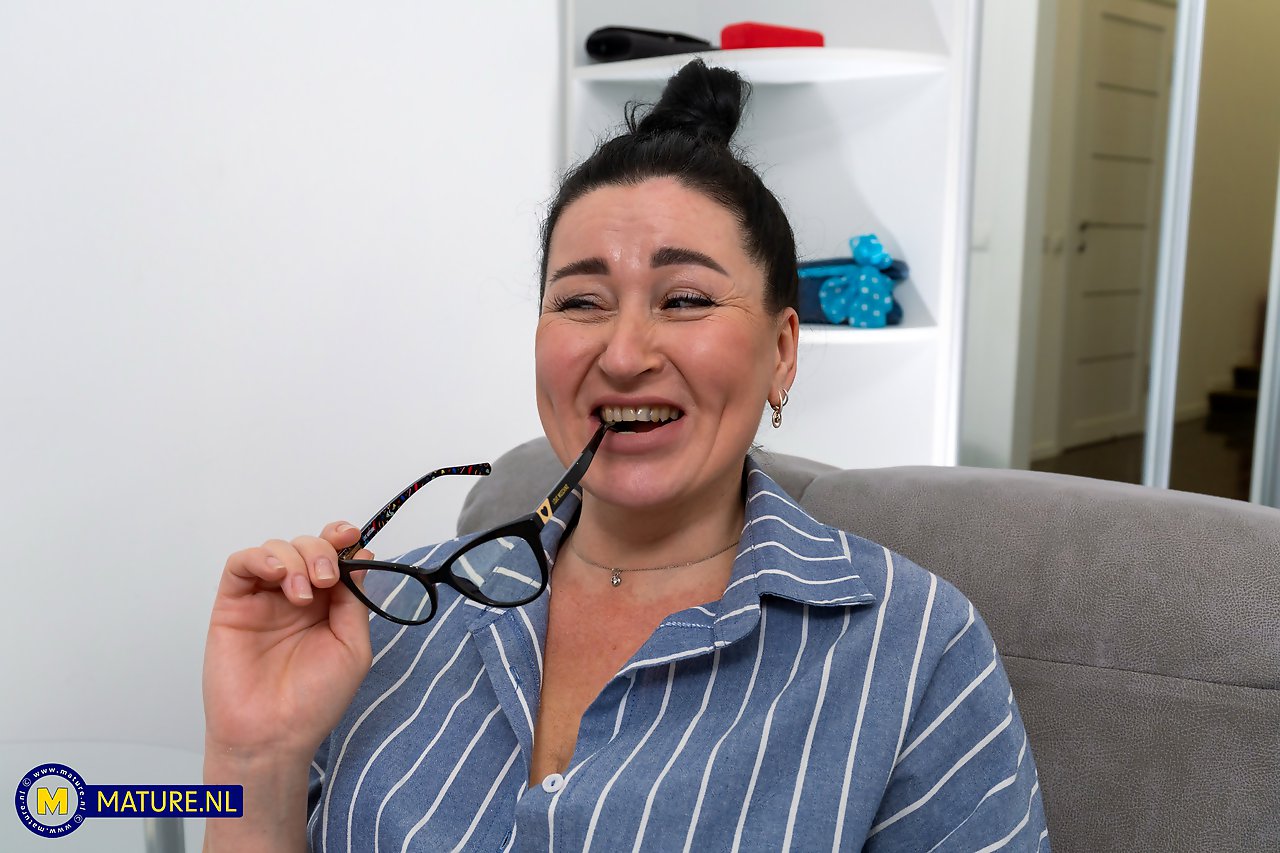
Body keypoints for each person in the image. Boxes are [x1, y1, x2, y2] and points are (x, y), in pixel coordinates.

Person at [202, 59, 1050, 852]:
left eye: (684, 299)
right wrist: (254, 757)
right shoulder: (382, 616)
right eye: (581, 301)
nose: (623, 353)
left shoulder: (917, 647)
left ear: (782, 351)